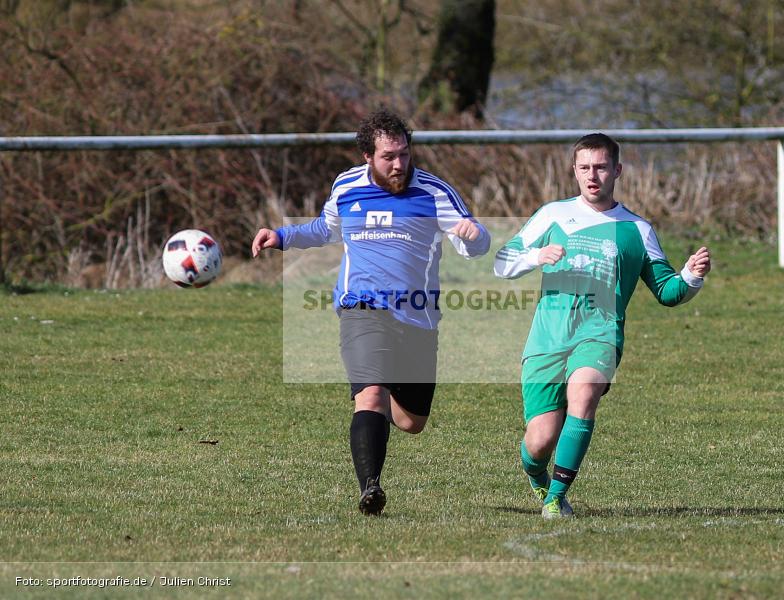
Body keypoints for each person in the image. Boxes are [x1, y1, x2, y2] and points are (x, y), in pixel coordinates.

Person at [252, 109, 490, 516]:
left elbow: (475, 245)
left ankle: (383, 396)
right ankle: (370, 487)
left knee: (412, 422)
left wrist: (474, 235)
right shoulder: (347, 186)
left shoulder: (434, 193)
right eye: (388, 157)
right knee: (371, 394)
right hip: (362, 307)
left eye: (404, 154)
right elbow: (325, 229)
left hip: (417, 315)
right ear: (368, 156)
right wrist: (282, 236)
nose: (399, 164)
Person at [494, 133, 711, 519]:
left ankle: (556, 498)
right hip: (548, 338)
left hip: (600, 333)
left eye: (600, 167)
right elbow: (502, 262)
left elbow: (667, 291)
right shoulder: (552, 215)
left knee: (585, 391)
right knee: (540, 441)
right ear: (574, 171)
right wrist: (536, 256)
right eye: (584, 168)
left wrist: (691, 276)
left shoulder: (636, 230)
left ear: (617, 170)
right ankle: (536, 472)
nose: (592, 176)